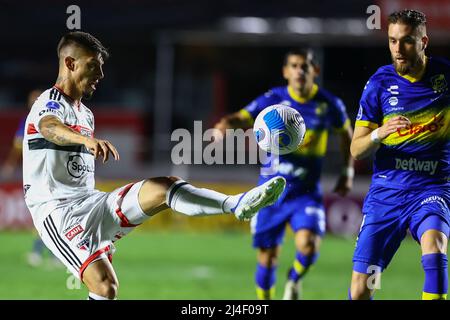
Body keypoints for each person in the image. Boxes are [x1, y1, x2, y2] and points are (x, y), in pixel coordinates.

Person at [22, 31, 286, 300]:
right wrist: (83, 141)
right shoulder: (49, 102)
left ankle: (236, 205)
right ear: (70, 63)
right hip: (58, 212)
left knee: (164, 187)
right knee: (104, 287)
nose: (101, 74)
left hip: (91, 202)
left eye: (101, 67)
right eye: (93, 66)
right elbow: (49, 127)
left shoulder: (85, 114)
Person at [214, 49, 354, 299]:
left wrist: (347, 171)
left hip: (306, 192)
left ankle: (294, 278)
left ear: (315, 71)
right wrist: (225, 124)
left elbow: (346, 135)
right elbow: (243, 117)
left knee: (309, 247)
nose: (300, 70)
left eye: (305, 66)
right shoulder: (273, 100)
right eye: (295, 65)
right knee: (268, 257)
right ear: (285, 71)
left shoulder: (328, 104)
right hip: (269, 193)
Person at [349, 9, 449, 300]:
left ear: (423, 41)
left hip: (432, 188)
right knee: (362, 289)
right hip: (387, 192)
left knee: (435, 247)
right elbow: (357, 149)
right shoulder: (378, 84)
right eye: (392, 41)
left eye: (406, 41)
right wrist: (380, 133)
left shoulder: (445, 77)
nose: (397, 49)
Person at [0, 89, 61, 268]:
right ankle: (44, 253)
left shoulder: (49, 120)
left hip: (51, 173)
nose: (34, 103)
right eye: (32, 100)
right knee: (48, 214)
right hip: (38, 174)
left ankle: (43, 253)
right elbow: (18, 147)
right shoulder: (31, 120)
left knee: (51, 214)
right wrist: (11, 164)